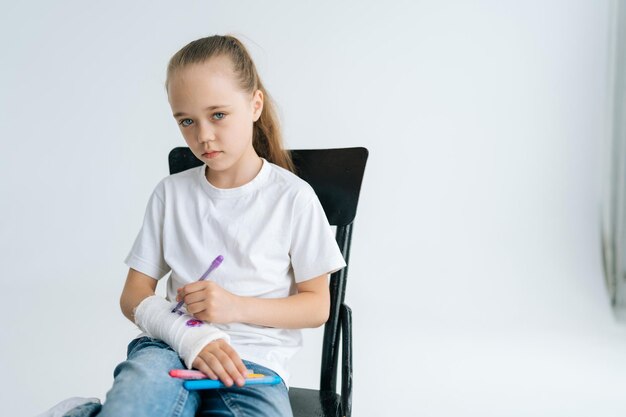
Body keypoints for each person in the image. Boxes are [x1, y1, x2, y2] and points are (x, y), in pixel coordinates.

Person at [38, 34, 345, 417]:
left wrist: (234, 306)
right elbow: (133, 294)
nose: (203, 136)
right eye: (186, 121)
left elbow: (317, 306)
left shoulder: (293, 198)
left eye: (218, 114)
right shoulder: (171, 194)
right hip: (168, 348)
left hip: (252, 365)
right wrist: (190, 335)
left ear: (254, 104)